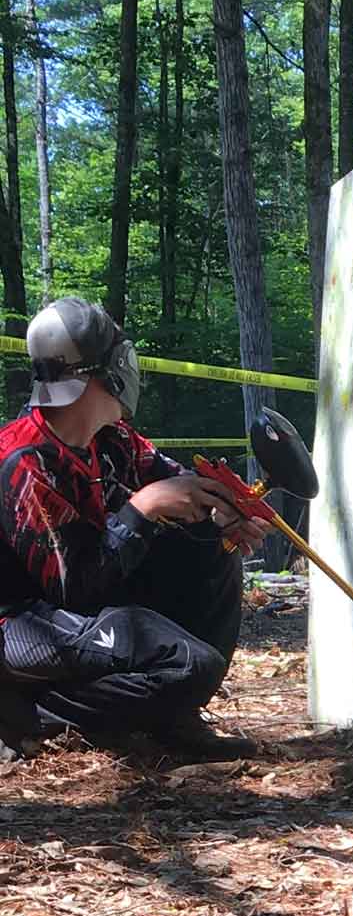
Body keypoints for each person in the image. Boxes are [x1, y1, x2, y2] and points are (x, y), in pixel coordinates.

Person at [0, 297, 269, 760]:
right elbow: (73, 589)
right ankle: (30, 714)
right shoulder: (26, 462)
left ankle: (171, 714)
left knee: (213, 549)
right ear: (100, 373)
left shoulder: (112, 439)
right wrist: (143, 507)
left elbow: (179, 484)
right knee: (191, 666)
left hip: (78, 614)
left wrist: (223, 514)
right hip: (21, 626)